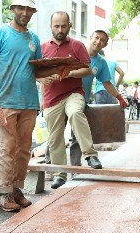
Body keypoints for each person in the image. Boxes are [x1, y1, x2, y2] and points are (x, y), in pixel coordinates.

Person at [0, 0, 41, 212]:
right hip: (4, 101)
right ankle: (3, 192)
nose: (25, 12)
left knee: (24, 149)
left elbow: (38, 70)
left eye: (29, 9)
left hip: (29, 102)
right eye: (21, 7)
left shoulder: (34, 39)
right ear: (13, 9)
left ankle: (17, 189)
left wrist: (55, 72)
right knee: (7, 148)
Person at [37, 11, 101, 190]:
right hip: (51, 99)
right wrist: (42, 80)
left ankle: (90, 155)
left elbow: (87, 70)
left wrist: (69, 73)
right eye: (56, 26)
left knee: (75, 113)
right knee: (55, 137)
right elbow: (36, 73)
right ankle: (59, 174)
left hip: (73, 93)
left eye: (63, 26)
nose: (60, 29)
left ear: (69, 26)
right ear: (51, 26)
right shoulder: (42, 47)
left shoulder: (78, 45)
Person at [82, 31, 128, 109]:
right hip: (65, 96)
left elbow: (107, 83)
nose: (98, 41)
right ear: (90, 38)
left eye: (102, 40)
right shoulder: (78, 50)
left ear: (105, 45)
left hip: (82, 99)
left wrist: (120, 98)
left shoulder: (101, 62)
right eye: (96, 38)